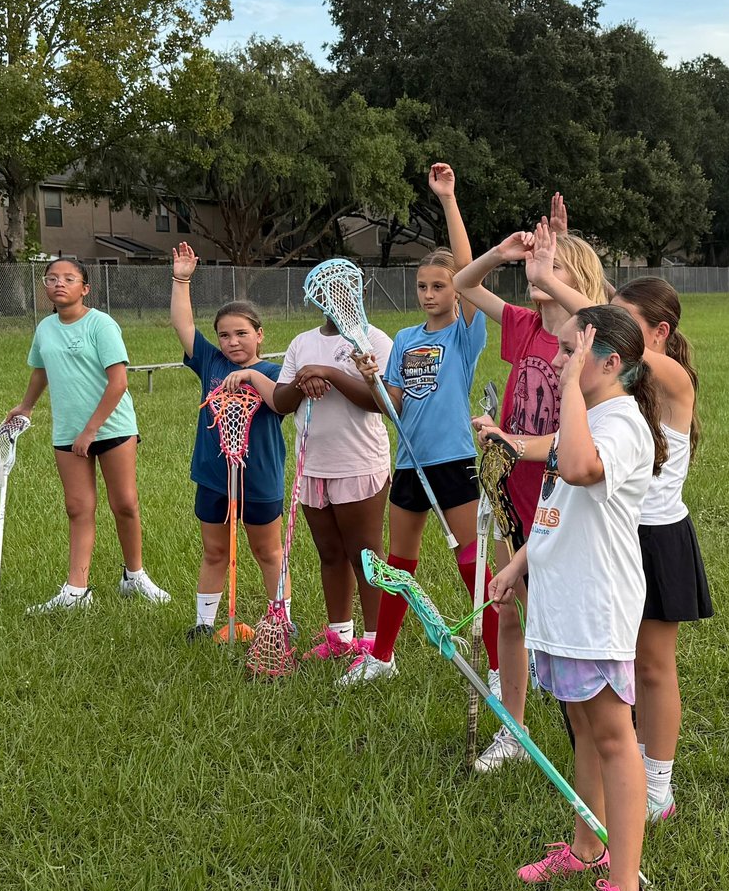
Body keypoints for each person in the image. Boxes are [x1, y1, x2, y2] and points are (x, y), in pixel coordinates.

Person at [489, 305, 667, 891]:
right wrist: (521, 565)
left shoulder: (620, 425)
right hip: (564, 603)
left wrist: (565, 392)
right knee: (584, 729)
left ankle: (625, 889)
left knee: (615, 738)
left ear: (609, 363)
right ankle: (587, 845)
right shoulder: (589, 417)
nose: (559, 361)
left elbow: (579, 469)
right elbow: (556, 509)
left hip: (597, 607)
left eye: (570, 352)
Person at [526, 235, 712, 821]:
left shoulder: (672, 378)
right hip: (611, 529)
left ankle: (656, 778)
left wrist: (555, 283)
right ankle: (610, 780)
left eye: (629, 323)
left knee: (652, 665)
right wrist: (549, 274)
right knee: (614, 665)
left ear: (654, 333)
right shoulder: (615, 395)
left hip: (656, 535)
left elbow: (602, 334)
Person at [453, 193, 608, 770]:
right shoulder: (521, 325)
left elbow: (571, 444)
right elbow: (466, 285)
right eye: (536, 266)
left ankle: (593, 734)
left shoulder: (589, 342)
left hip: (559, 493)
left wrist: (510, 442)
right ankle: (514, 729)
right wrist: (499, 251)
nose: (537, 272)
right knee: (511, 610)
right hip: (510, 491)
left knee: (564, 616)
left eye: (555, 267)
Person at [339, 163, 497, 687]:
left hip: (452, 461)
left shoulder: (465, 335)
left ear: (456, 291)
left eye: (439, 286)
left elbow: (470, 270)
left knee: (472, 567)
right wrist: (374, 382)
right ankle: (382, 657)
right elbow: (397, 405)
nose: (429, 294)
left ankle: (501, 667)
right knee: (398, 566)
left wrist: (448, 200)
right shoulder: (404, 338)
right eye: (423, 286)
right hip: (409, 463)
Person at [4, 257, 169, 612]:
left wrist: (91, 430)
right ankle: (76, 591)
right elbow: (40, 372)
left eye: (68, 278)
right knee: (78, 508)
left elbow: (119, 382)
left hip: (113, 427)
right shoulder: (45, 329)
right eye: (51, 279)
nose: (59, 284)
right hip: (67, 431)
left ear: (85, 287)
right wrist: (26, 406)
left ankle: (134, 576)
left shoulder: (101, 325)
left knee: (124, 503)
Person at [170, 241, 287, 640]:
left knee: (266, 551)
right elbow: (183, 326)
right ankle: (204, 623)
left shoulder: (274, 369)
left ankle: (280, 621)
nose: (233, 342)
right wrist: (182, 279)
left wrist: (253, 377)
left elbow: (279, 401)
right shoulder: (212, 363)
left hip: (259, 477)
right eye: (224, 335)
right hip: (214, 475)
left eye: (241, 333)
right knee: (215, 551)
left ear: (259, 334)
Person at [273, 313, 394, 661]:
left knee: (366, 556)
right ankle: (340, 636)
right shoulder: (302, 342)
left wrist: (330, 374)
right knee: (330, 553)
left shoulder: (374, 339)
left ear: (361, 291)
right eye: (327, 289)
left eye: (345, 286)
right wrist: (303, 381)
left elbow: (380, 402)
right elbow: (281, 402)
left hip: (358, 463)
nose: (335, 297)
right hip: (312, 464)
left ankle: (376, 644)